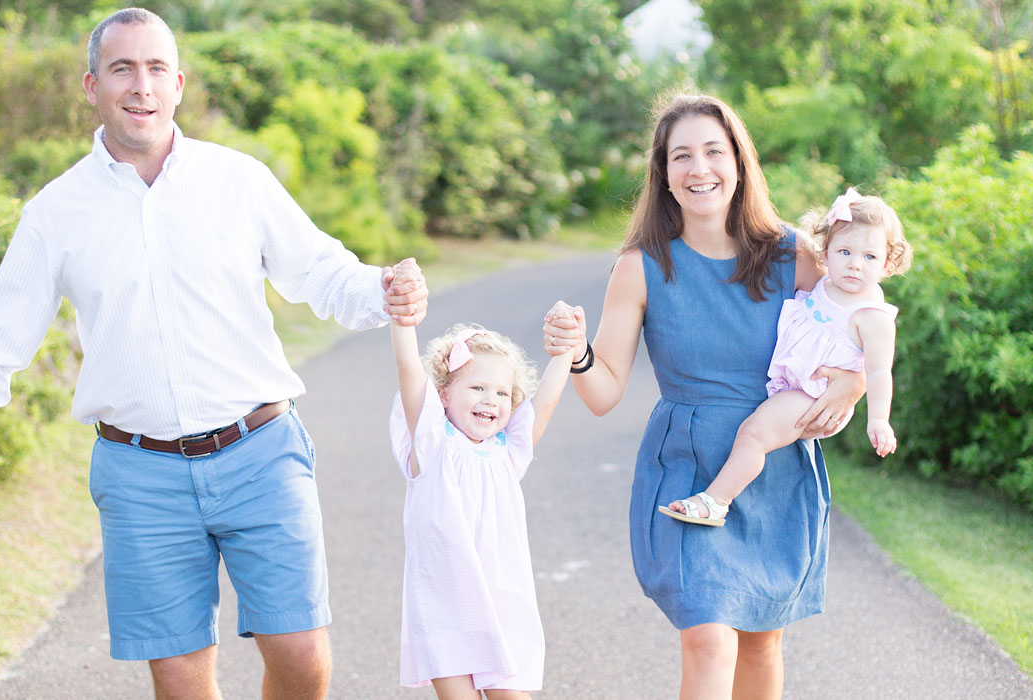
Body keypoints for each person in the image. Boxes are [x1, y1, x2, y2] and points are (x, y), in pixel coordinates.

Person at [0, 8, 427, 699]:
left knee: (303, 657)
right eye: (122, 69)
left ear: (178, 84)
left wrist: (384, 288)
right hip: (140, 473)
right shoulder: (56, 213)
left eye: (156, 68)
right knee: (181, 679)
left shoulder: (238, 180)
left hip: (260, 450)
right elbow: (1, 337)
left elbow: (319, 271)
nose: (141, 85)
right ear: (91, 85)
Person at [542, 93, 866, 700]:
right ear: (664, 176)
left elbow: (860, 326)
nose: (700, 169)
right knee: (709, 636)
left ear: (739, 163)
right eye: (681, 156)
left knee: (762, 640)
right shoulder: (640, 266)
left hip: (774, 465)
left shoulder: (794, 254)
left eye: (714, 151)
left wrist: (857, 382)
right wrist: (576, 352)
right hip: (688, 466)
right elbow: (603, 392)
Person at [661, 188, 913, 526]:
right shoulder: (825, 286)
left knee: (753, 434)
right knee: (754, 431)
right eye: (845, 251)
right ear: (825, 251)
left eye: (870, 257)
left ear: (887, 263)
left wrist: (878, 420)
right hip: (797, 385)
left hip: (814, 394)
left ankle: (715, 501)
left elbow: (880, 371)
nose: (855, 264)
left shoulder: (872, 316)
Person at [387, 259, 573, 699]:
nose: (491, 399)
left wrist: (565, 351)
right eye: (477, 388)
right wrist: (402, 316)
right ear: (445, 394)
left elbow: (544, 404)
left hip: (504, 601)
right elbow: (409, 371)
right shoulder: (432, 443)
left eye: (502, 393)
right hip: (446, 604)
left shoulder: (507, 453)